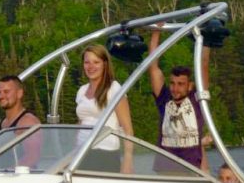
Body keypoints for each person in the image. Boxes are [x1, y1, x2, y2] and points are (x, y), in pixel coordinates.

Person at [148, 22, 210, 171]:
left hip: (191, 167)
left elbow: (204, 65)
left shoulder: (197, 101)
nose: (175, 88)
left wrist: (207, 37)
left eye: (181, 84)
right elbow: (152, 66)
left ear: (190, 85)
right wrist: (157, 32)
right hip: (165, 167)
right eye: (173, 83)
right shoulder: (164, 99)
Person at [75, 44, 134, 174]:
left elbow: (127, 129)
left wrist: (127, 160)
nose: (91, 67)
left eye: (96, 62)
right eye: (87, 62)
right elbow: (80, 123)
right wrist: (73, 154)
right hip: (82, 152)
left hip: (105, 152)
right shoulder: (81, 91)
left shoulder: (114, 88)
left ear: (105, 64)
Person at [0, 75, 42, 168]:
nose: (1, 96)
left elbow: (32, 157)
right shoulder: (2, 123)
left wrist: (8, 173)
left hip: (21, 179)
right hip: (2, 176)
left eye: (6, 92)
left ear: (19, 94)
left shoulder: (28, 122)